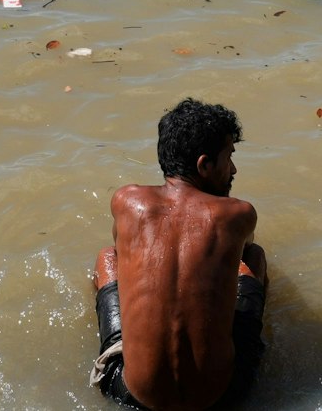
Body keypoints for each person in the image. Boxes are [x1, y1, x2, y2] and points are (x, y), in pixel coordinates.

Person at [91, 98, 267, 411]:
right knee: (254, 260)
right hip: (223, 397)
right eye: (229, 157)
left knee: (107, 257)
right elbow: (246, 248)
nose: (234, 169)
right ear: (205, 165)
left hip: (131, 394)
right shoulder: (237, 214)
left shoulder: (126, 201)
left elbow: (123, 252)